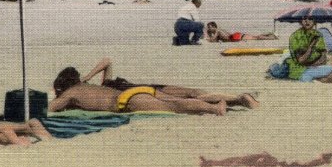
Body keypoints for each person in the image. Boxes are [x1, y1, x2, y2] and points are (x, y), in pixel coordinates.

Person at [78, 57, 260, 108]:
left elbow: (107, 61)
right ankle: (237, 99)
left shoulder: (104, 88)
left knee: (193, 96)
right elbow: (106, 61)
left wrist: (87, 77)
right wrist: (88, 76)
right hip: (151, 90)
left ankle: (237, 100)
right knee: (194, 94)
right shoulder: (105, 86)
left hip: (147, 92)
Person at [50, 66, 228, 115]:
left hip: (127, 101)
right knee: (173, 100)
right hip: (139, 91)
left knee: (174, 106)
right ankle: (216, 102)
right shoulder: (88, 86)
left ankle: (214, 109)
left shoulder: (70, 94)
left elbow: (50, 108)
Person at [286, 16, 332, 82]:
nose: (307, 21)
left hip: (314, 67)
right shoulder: (295, 36)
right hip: (300, 69)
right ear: (300, 21)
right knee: (306, 78)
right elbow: (301, 60)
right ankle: (318, 80)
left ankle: (319, 80)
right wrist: (311, 46)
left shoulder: (318, 34)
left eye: (310, 19)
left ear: (314, 21)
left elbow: (323, 56)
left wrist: (317, 63)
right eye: (304, 19)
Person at [205, 22, 277, 42]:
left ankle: (272, 38)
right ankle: (270, 33)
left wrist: (207, 34)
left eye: (210, 27)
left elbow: (212, 40)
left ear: (214, 27)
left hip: (235, 37)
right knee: (256, 36)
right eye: (208, 28)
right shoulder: (220, 30)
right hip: (235, 36)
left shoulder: (218, 31)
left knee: (256, 37)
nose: (209, 29)